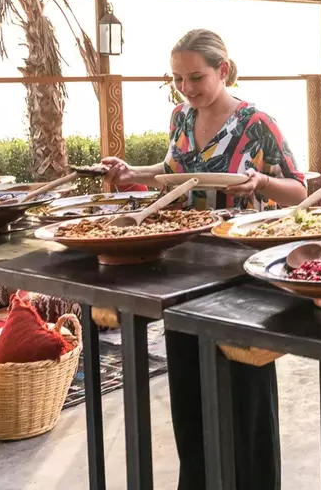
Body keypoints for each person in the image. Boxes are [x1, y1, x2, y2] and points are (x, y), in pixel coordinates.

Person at [104, 28, 306, 490]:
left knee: (243, 390)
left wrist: (261, 183)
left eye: (196, 77)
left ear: (224, 70)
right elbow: (173, 172)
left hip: (240, 272)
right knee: (189, 391)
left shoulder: (257, 123)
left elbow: (298, 188)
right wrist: (131, 173)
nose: (187, 88)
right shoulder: (180, 117)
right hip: (181, 267)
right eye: (178, 79)